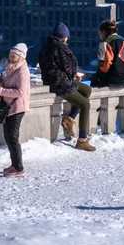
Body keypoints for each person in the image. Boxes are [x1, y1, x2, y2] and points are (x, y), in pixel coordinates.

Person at [38, 23, 95, 151]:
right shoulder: (60, 47)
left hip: (56, 81)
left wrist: (72, 76)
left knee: (87, 89)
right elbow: (68, 67)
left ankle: (69, 119)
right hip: (60, 84)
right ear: (64, 37)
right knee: (85, 104)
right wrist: (75, 74)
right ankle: (82, 140)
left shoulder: (47, 46)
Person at [0, 43, 31, 177]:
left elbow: (20, 92)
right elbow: (7, 84)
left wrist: (0, 91)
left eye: (14, 55)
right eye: (10, 54)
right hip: (10, 106)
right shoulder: (12, 68)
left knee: (12, 138)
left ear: (21, 57)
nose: (11, 56)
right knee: (9, 137)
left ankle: (18, 168)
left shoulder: (22, 71)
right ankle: (15, 165)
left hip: (17, 107)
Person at [90, 20, 124, 88]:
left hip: (118, 80)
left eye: (100, 33)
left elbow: (105, 66)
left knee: (93, 82)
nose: (99, 36)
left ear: (103, 32)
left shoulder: (105, 44)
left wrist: (96, 78)